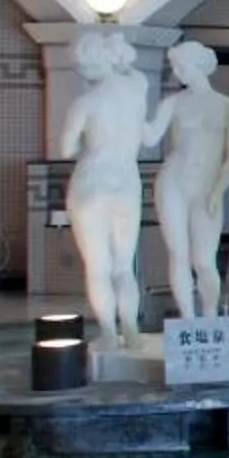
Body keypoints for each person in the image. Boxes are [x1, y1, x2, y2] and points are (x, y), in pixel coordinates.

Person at [56, 26, 151, 345]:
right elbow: (133, 72)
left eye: (82, 66)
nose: (81, 72)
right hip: (126, 183)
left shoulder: (85, 104)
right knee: (125, 266)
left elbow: (66, 149)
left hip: (91, 183)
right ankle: (133, 332)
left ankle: (109, 334)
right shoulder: (137, 89)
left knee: (98, 266)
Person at [144, 39, 229, 320]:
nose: (177, 72)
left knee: (203, 259)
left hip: (207, 186)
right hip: (173, 181)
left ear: (199, 65)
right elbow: (151, 136)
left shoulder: (226, 106)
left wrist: (218, 190)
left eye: (182, 66)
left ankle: (210, 317)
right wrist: (129, 110)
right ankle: (188, 319)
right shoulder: (172, 103)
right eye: (175, 67)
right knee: (178, 254)